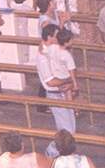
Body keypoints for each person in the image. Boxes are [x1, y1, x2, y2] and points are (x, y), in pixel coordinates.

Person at [36, 24, 76, 157]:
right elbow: (51, 81)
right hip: (55, 94)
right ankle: (51, 153)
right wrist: (69, 80)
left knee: (71, 129)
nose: (59, 38)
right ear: (49, 37)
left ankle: (60, 155)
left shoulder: (51, 48)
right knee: (66, 131)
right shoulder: (43, 57)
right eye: (56, 35)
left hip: (62, 92)